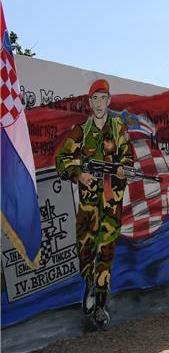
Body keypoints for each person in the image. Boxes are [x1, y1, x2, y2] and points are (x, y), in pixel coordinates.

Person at [55, 79, 132, 327]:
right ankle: (88, 281)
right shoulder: (81, 131)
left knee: (106, 255)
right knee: (86, 251)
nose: (99, 104)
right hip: (88, 206)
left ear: (109, 101)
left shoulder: (119, 129)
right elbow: (63, 158)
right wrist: (79, 174)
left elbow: (128, 158)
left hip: (111, 204)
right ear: (90, 103)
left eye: (103, 98)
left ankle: (100, 304)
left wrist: (123, 169)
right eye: (95, 99)